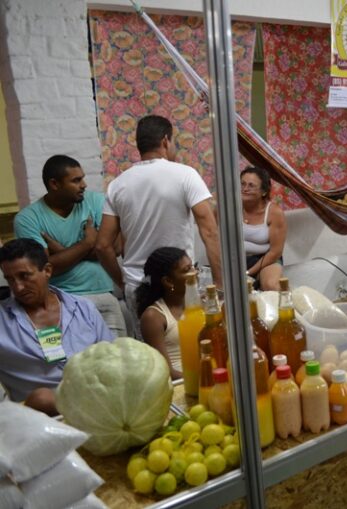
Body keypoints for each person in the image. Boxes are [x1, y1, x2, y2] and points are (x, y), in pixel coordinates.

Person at [95, 115, 222, 337]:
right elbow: (209, 231)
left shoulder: (118, 185)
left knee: (151, 358)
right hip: (180, 281)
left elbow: (102, 246)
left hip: (138, 283)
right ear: (165, 141)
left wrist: (124, 281)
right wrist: (220, 283)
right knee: (192, 345)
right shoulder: (185, 174)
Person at [13, 155, 127, 337]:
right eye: (76, 180)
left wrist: (59, 251)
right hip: (61, 301)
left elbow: (116, 248)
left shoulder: (96, 201)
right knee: (72, 362)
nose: (84, 185)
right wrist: (88, 243)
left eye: (82, 178)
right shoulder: (28, 218)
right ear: (54, 184)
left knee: (119, 359)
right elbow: (43, 269)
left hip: (105, 296)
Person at [0, 239, 114, 415]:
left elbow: (111, 357)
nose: (18, 287)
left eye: (24, 276)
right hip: (41, 418)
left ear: (47, 270)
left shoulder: (82, 308)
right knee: (43, 398)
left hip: (98, 403)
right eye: (10, 279)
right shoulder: (3, 321)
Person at [135, 247, 192, 380]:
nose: (195, 273)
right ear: (168, 281)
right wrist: (201, 381)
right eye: (186, 270)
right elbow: (166, 372)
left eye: (193, 267)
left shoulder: (198, 304)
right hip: (180, 384)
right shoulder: (153, 317)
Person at [241, 166, 286, 291]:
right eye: (242, 184)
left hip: (266, 259)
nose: (245, 189)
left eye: (251, 185)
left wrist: (248, 273)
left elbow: (276, 251)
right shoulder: (231, 207)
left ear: (264, 192)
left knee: (271, 285)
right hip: (238, 259)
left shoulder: (274, 212)